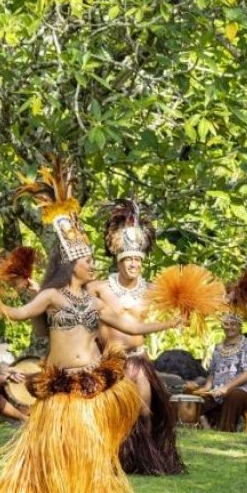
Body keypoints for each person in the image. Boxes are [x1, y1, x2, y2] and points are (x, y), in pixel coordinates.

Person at [0, 159, 182, 493]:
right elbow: (16, 314)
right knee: (53, 445)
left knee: (90, 443)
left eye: (92, 260)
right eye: (87, 260)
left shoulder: (93, 301)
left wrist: (168, 325)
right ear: (71, 264)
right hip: (59, 383)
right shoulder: (51, 297)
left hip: (92, 377)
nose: (93, 265)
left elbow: (132, 327)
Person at [88, 198, 185, 475]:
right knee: (110, 414)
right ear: (119, 260)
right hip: (109, 361)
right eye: (128, 259)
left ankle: (147, 460)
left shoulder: (153, 290)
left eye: (138, 260)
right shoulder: (99, 288)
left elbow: (180, 305)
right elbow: (68, 298)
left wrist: (184, 316)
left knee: (144, 413)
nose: (133, 264)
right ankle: (108, 460)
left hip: (138, 360)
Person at [190, 314, 247, 432]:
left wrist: (226, 388)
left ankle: (226, 430)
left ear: (240, 326)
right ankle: (203, 427)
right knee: (195, 396)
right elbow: (212, 373)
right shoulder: (218, 348)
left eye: (233, 324)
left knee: (233, 395)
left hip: (245, 391)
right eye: (226, 324)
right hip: (219, 390)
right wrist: (207, 387)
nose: (229, 327)